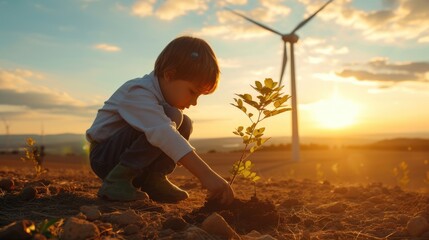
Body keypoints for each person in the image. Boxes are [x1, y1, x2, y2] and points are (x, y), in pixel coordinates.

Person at [86, 36, 234, 205]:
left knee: (183, 122)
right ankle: (117, 180)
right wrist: (206, 175)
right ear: (169, 75)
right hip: (105, 158)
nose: (194, 102)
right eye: (192, 92)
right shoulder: (137, 92)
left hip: (124, 155)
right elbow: (162, 132)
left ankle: (154, 180)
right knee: (171, 120)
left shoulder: (161, 99)